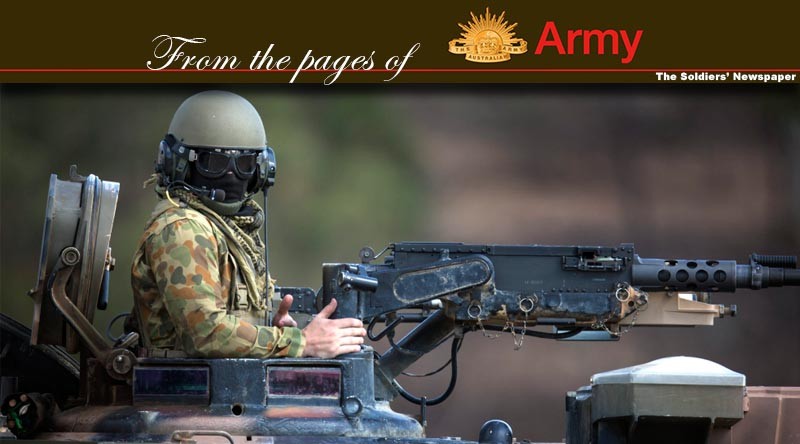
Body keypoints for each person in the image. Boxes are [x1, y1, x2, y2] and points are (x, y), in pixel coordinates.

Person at [131, 90, 366, 359]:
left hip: (224, 390)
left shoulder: (230, 229)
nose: (231, 174)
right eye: (214, 162)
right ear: (181, 164)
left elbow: (227, 324)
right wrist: (300, 342)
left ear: (261, 172)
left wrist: (271, 329)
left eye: (244, 163)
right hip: (180, 393)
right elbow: (205, 333)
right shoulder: (183, 229)